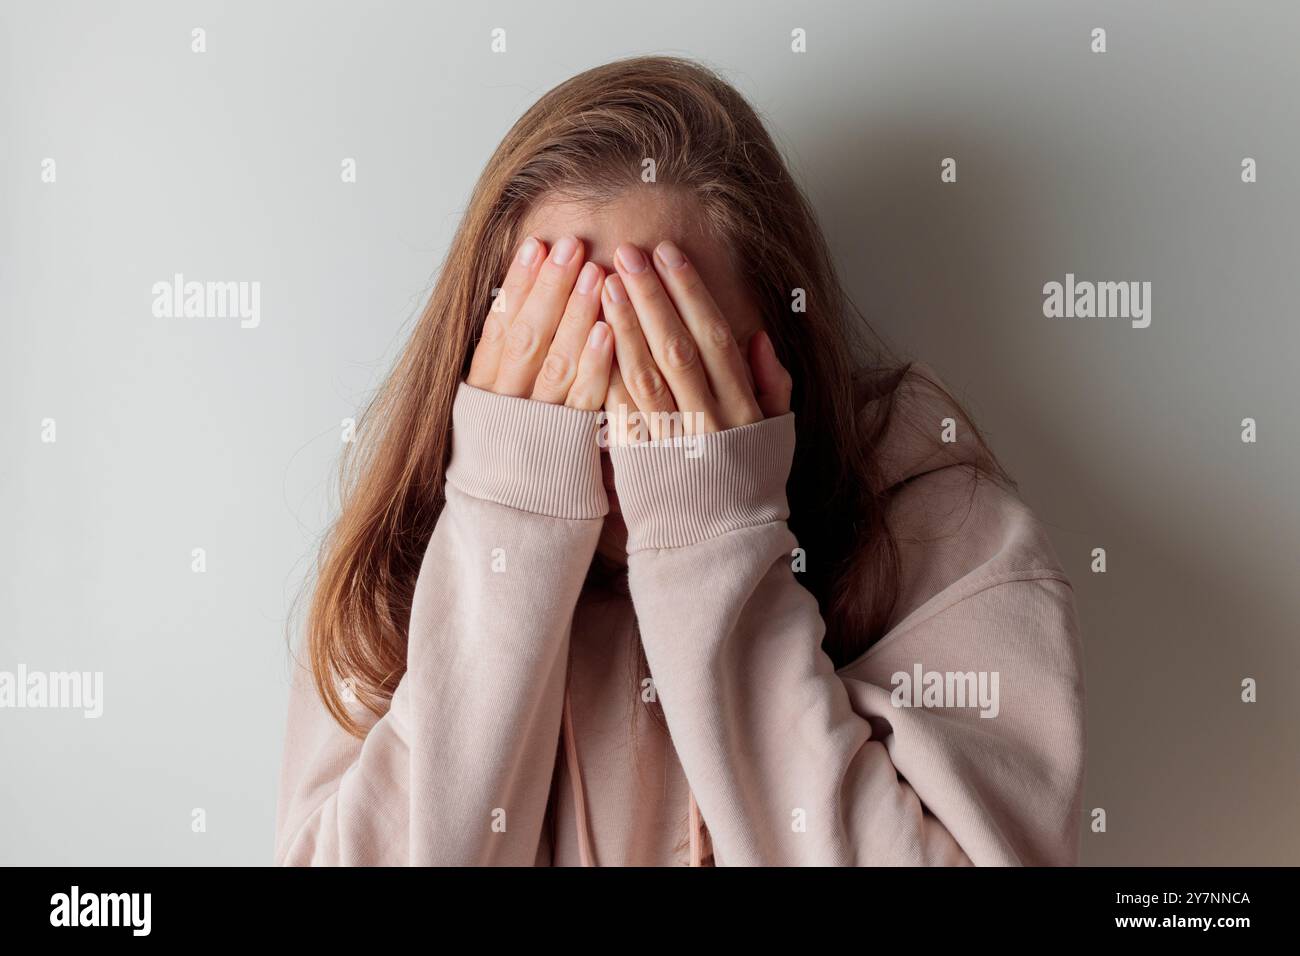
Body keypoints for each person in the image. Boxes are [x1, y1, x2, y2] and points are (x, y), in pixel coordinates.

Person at [274, 55, 1084, 866]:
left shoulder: (947, 541)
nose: (623, 429)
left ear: (779, 362)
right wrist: (508, 517)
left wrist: (713, 533)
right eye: (562, 349)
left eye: (679, 360)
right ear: (489, 360)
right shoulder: (386, 589)